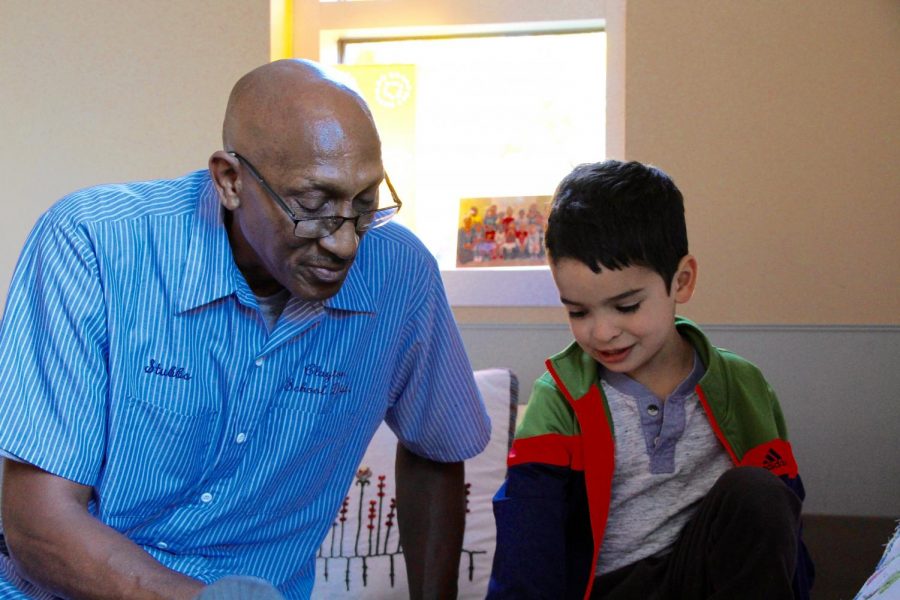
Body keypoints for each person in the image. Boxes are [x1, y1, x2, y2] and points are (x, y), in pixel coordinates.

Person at [0, 59, 491, 599]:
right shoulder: (91, 242)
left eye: (366, 202)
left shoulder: (401, 275)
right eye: (313, 205)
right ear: (230, 181)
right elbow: (36, 524)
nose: (346, 241)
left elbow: (437, 449)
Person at [488, 160, 814, 599]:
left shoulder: (743, 386)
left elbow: (779, 526)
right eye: (578, 312)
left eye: (626, 307)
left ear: (681, 282)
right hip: (611, 589)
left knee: (758, 491)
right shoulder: (561, 399)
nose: (601, 333)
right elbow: (527, 545)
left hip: (703, 583)